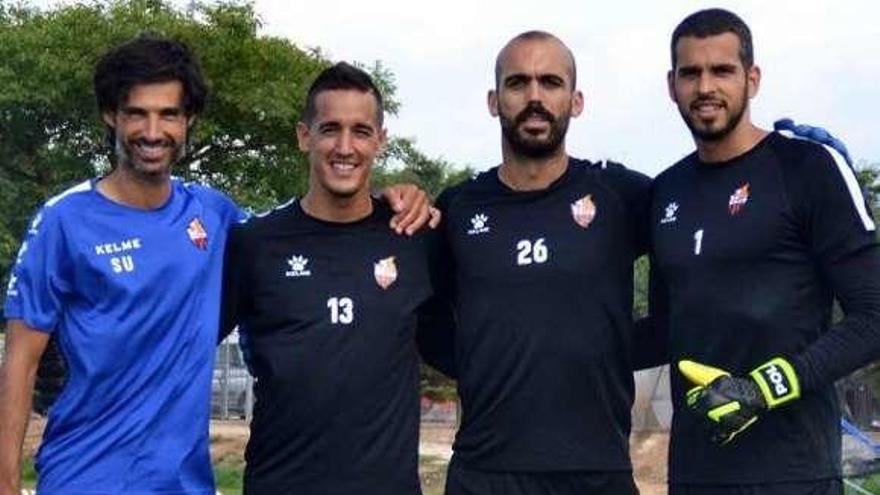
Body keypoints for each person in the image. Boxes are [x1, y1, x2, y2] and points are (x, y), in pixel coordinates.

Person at [0, 37, 434, 495]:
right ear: (111, 115)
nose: (153, 131)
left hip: (184, 482)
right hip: (88, 476)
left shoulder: (215, 216)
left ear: (188, 122)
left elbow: (306, 233)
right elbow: (20, 360)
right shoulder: (63, 221)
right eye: (137, 113)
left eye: (168, 114)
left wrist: (398, 197)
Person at [650, 8, 880, 495]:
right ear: (671, 85)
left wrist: (763, 388)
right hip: (694, 477)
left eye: (723, 70)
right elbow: (662, 332)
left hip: (795, 474)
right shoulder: (665, 191)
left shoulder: (807, 167)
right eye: (691, 73)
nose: (706, 86)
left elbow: (874, 314)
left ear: (752, 79)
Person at [431, 31, 650, 495]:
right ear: (494, 101)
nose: (534, 97)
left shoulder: (622, 196)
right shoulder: (457, 208)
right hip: (484, 472)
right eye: (518, 83)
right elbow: (425, 320)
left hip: (597, 471)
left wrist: (614, 350)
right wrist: (477, 361)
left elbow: (703, 266)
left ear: (576, 100)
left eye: (550, 82)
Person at [222, 62, 449, 495]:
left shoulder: (416, 237)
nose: (345, 147)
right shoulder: (255, 243)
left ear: (380, 141)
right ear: (304, 135)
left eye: (361, 131)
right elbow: (189, 344)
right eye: (330, 129)